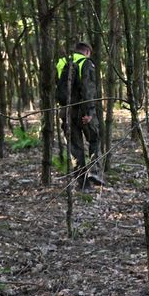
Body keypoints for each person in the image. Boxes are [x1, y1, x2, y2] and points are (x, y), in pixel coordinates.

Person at [56, 41, 102, 189]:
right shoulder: (86, 63)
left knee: (76, 148)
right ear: (87, 51)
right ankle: (95, 172)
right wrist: (89, 111)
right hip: (83, 111)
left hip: (66, 111)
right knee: (94, 139)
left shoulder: (62, 62)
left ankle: (82, 185)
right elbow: (88, 89)